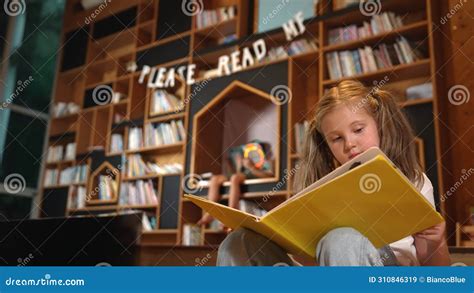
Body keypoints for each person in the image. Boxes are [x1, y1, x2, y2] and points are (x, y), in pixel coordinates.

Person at [216, 80, 450, 266]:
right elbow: (310, 260)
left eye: (358, 129)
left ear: (379, 124)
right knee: (237, 242)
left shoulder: (414, 179)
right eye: (336, 139)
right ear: (326, 144)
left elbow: (436, 275)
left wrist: (436, 241)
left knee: (341, 240)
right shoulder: (322, 185)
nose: (350, 144)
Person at [197, 140, 274, 227]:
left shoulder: (267, 162)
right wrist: (238, 165)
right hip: (241, 174)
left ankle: (231, 211)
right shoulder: (245, 159)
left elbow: (269, 177)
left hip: (252, 175)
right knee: (215, 179)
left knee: (235, 178)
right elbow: (237, 172)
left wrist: (251, 167)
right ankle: (210, 212)